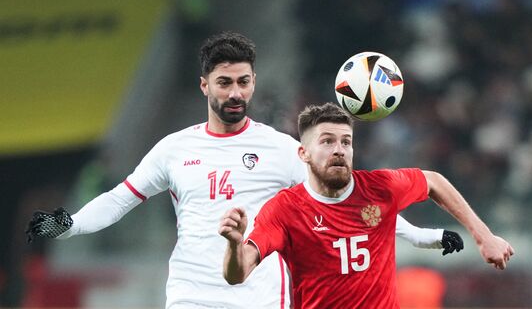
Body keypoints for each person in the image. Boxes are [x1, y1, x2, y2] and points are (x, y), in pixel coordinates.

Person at [26, 32, 462, 309]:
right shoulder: (175, 149)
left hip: (257, 297)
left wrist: (424, 236)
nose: (236, 93)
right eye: (225, 83)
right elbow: (120, 199)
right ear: (204, 85)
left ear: (253, 82)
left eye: (244, 82)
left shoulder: (283, 149)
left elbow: (353, 205)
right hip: (190, 296)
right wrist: (68, 224)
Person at [219, 102, 515, 309]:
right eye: (327, 141)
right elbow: (237, 273)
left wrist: (484, 236)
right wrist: (234, 244)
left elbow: (433, 181)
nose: (339, 150)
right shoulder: (286, 209)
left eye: (346, 142)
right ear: (304, 153)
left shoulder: (379, 188)